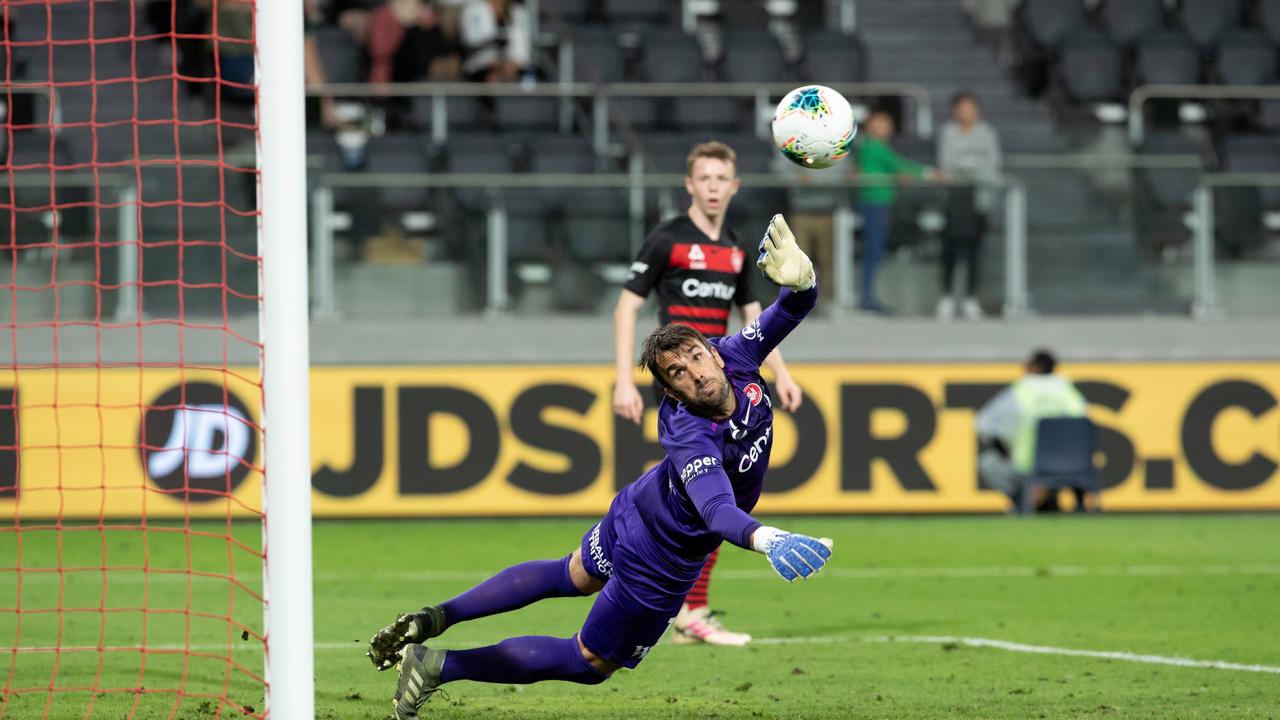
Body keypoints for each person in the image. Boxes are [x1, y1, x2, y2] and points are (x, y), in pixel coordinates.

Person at [368, 215, 833, 719]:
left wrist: (803, 281)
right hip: (660, 556)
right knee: (588, 661)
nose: (695, 374)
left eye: (697, 358)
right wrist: (769, 539)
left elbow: (794, 307)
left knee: (574, 572)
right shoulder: (689, 432)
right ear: (670, 393)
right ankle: (437, 665)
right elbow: (718, 509)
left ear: (713, 353)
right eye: (677, 373)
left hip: (638, 506)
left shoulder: (736, 353)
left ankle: (437, 617)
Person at [613, 141, 803, 646]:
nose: (714, 188)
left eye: (723, 179)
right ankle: (687, 608)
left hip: (726, 373)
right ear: (690, 185)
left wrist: (780, 372)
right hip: (684, 388)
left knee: (703, 493)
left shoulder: (739, 248)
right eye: (705, 179)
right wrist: (620, 379)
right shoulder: (666, 240)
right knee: (709, 496)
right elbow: (627, 307)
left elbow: (753, 320)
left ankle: (673, 596)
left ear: (734, 186)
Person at [975, 349, 1089, 512]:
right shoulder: (1068, 391)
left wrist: (1005, 449)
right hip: (1071, 466)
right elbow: (1086, 426)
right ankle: (1050, 498)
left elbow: (984, 425)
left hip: (1028, 467)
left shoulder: (1022, 389)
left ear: (1035, 367)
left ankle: (1023, 499)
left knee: (988, 462)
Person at [855, 110, 939, 315]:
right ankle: (866, 298)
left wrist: (899, 174)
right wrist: (928, 173)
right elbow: (897, 164)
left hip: (881, 204)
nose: (885, 126)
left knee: (876, 251)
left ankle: (868, 296)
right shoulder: (872, 146)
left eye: (887, 123)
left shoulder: (877, 147)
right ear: (869, 126)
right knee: (873, 251)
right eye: (880, 122)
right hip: (873, 204)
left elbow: (894, 168)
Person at [936, 91, 1002, 321]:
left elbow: (991, 166)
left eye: (970, 107)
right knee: (950, 251)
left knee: (975, 252)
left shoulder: (987, 133)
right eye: (962, 107)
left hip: (978, 200)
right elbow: (946, 163)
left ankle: (970, 298)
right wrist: (972, 166)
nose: (966, 112)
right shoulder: (948, 132)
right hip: (954, 199)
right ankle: (946, 297)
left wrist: (965, 167)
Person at [459, 0, 531, 83]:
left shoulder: (517, 11)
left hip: (509, 64)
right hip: (480, 63)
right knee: (492, 77)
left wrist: (513, 63)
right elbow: (471, 40)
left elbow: (521, 46)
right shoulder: (473, 8)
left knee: (520, 75)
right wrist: (495, 61)